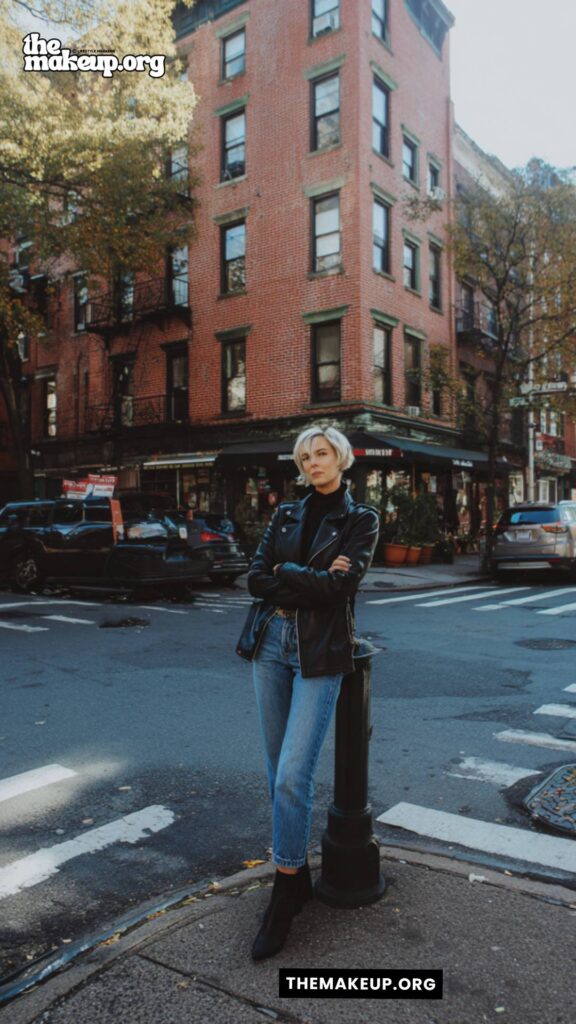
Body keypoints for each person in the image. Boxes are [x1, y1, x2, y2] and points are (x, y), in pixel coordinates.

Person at [236, 425, 379, 960]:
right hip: (271, 642)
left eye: (322, 453)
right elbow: (255, 578)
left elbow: (342, 588)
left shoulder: (361, 519)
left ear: (340, 459)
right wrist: (309, 577)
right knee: (278, 774)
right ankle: (296, 880)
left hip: (320, 651)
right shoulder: (286, 514)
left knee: (294, 774)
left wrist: (288, 570)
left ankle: (283, 892)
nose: (313, 462)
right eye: (305, 456)